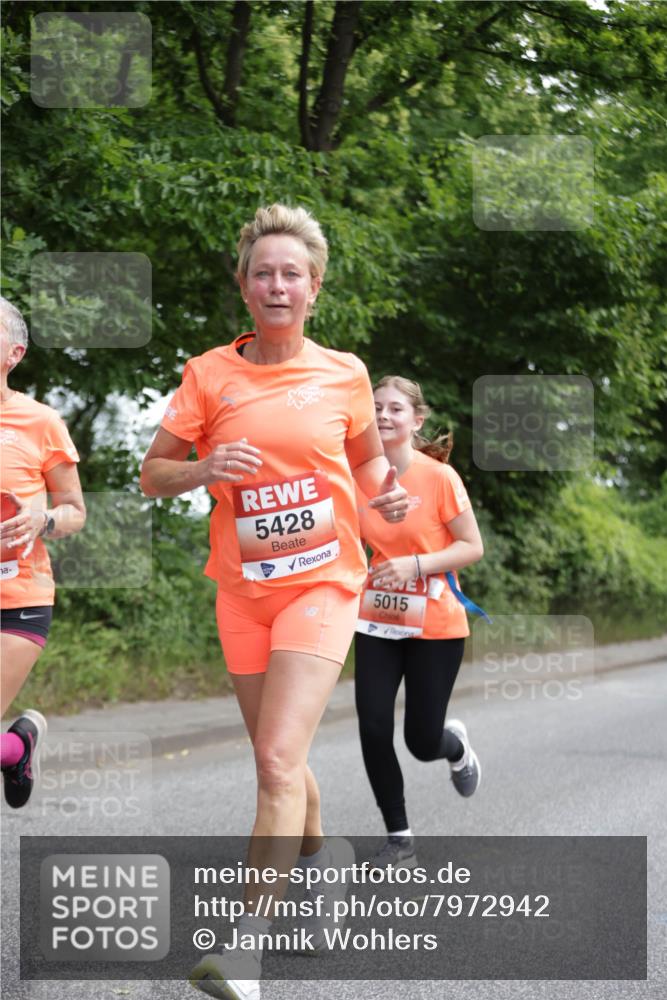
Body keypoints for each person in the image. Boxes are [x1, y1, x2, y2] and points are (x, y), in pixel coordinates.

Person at [140, 204, 408, 1000]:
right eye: (264, 273)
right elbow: (153, 473)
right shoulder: (207, 375)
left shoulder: (345, 374)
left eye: (292, 273)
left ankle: (245, 955)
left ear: (314, 287)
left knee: (273, 762)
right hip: (242, 593)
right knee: (279, 755)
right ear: (243, 286)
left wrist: (388, 495)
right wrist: (203, 468)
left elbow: (366, 464)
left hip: (321, 585)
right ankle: (323, 865)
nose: (278, 285)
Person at [354, 375, 486, 871]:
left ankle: (455, 747)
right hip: (379, 618)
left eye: (395, 409)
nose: (383, 416)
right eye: (376, 408)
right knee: (372, 726)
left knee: (420, 741)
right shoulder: (355, 475)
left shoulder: (439, 478)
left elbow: (472, 546)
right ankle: (400, 840)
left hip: (436, 623)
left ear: (417, 419)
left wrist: (415, 564)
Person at [0, 296, 85, 809]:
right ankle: (16, 748)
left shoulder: (40, 422)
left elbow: (75, 510)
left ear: (14, 353)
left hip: (18, 600)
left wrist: (43, 519)